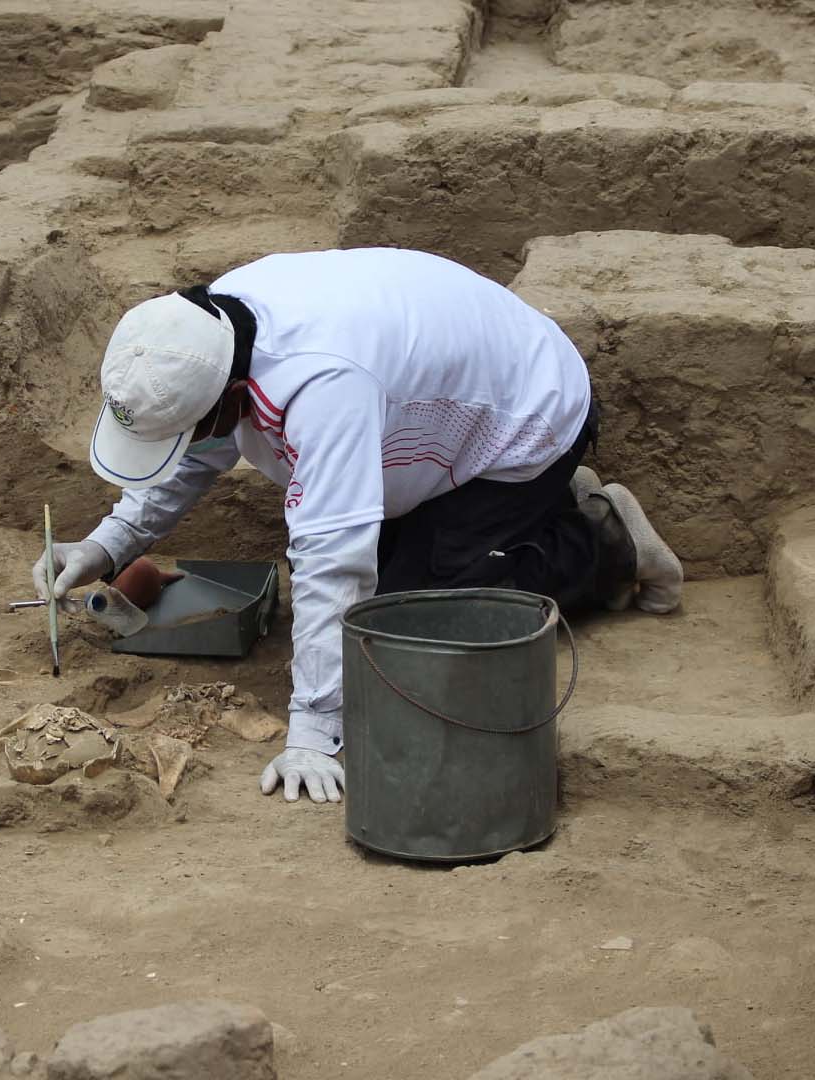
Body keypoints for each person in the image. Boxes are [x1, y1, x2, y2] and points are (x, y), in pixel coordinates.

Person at [34, 248, 682, 805]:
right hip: (431, 409)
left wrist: (315, 732)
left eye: (190, 432)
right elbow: (195, 453)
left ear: (229, 400)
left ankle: (602, 540)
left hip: (524, 413)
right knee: (381, 598)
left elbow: (333, 559)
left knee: (410, 629)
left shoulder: (322, 388)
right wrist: (108, 544)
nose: (190, 444)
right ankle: (528, 516)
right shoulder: (201, 331)